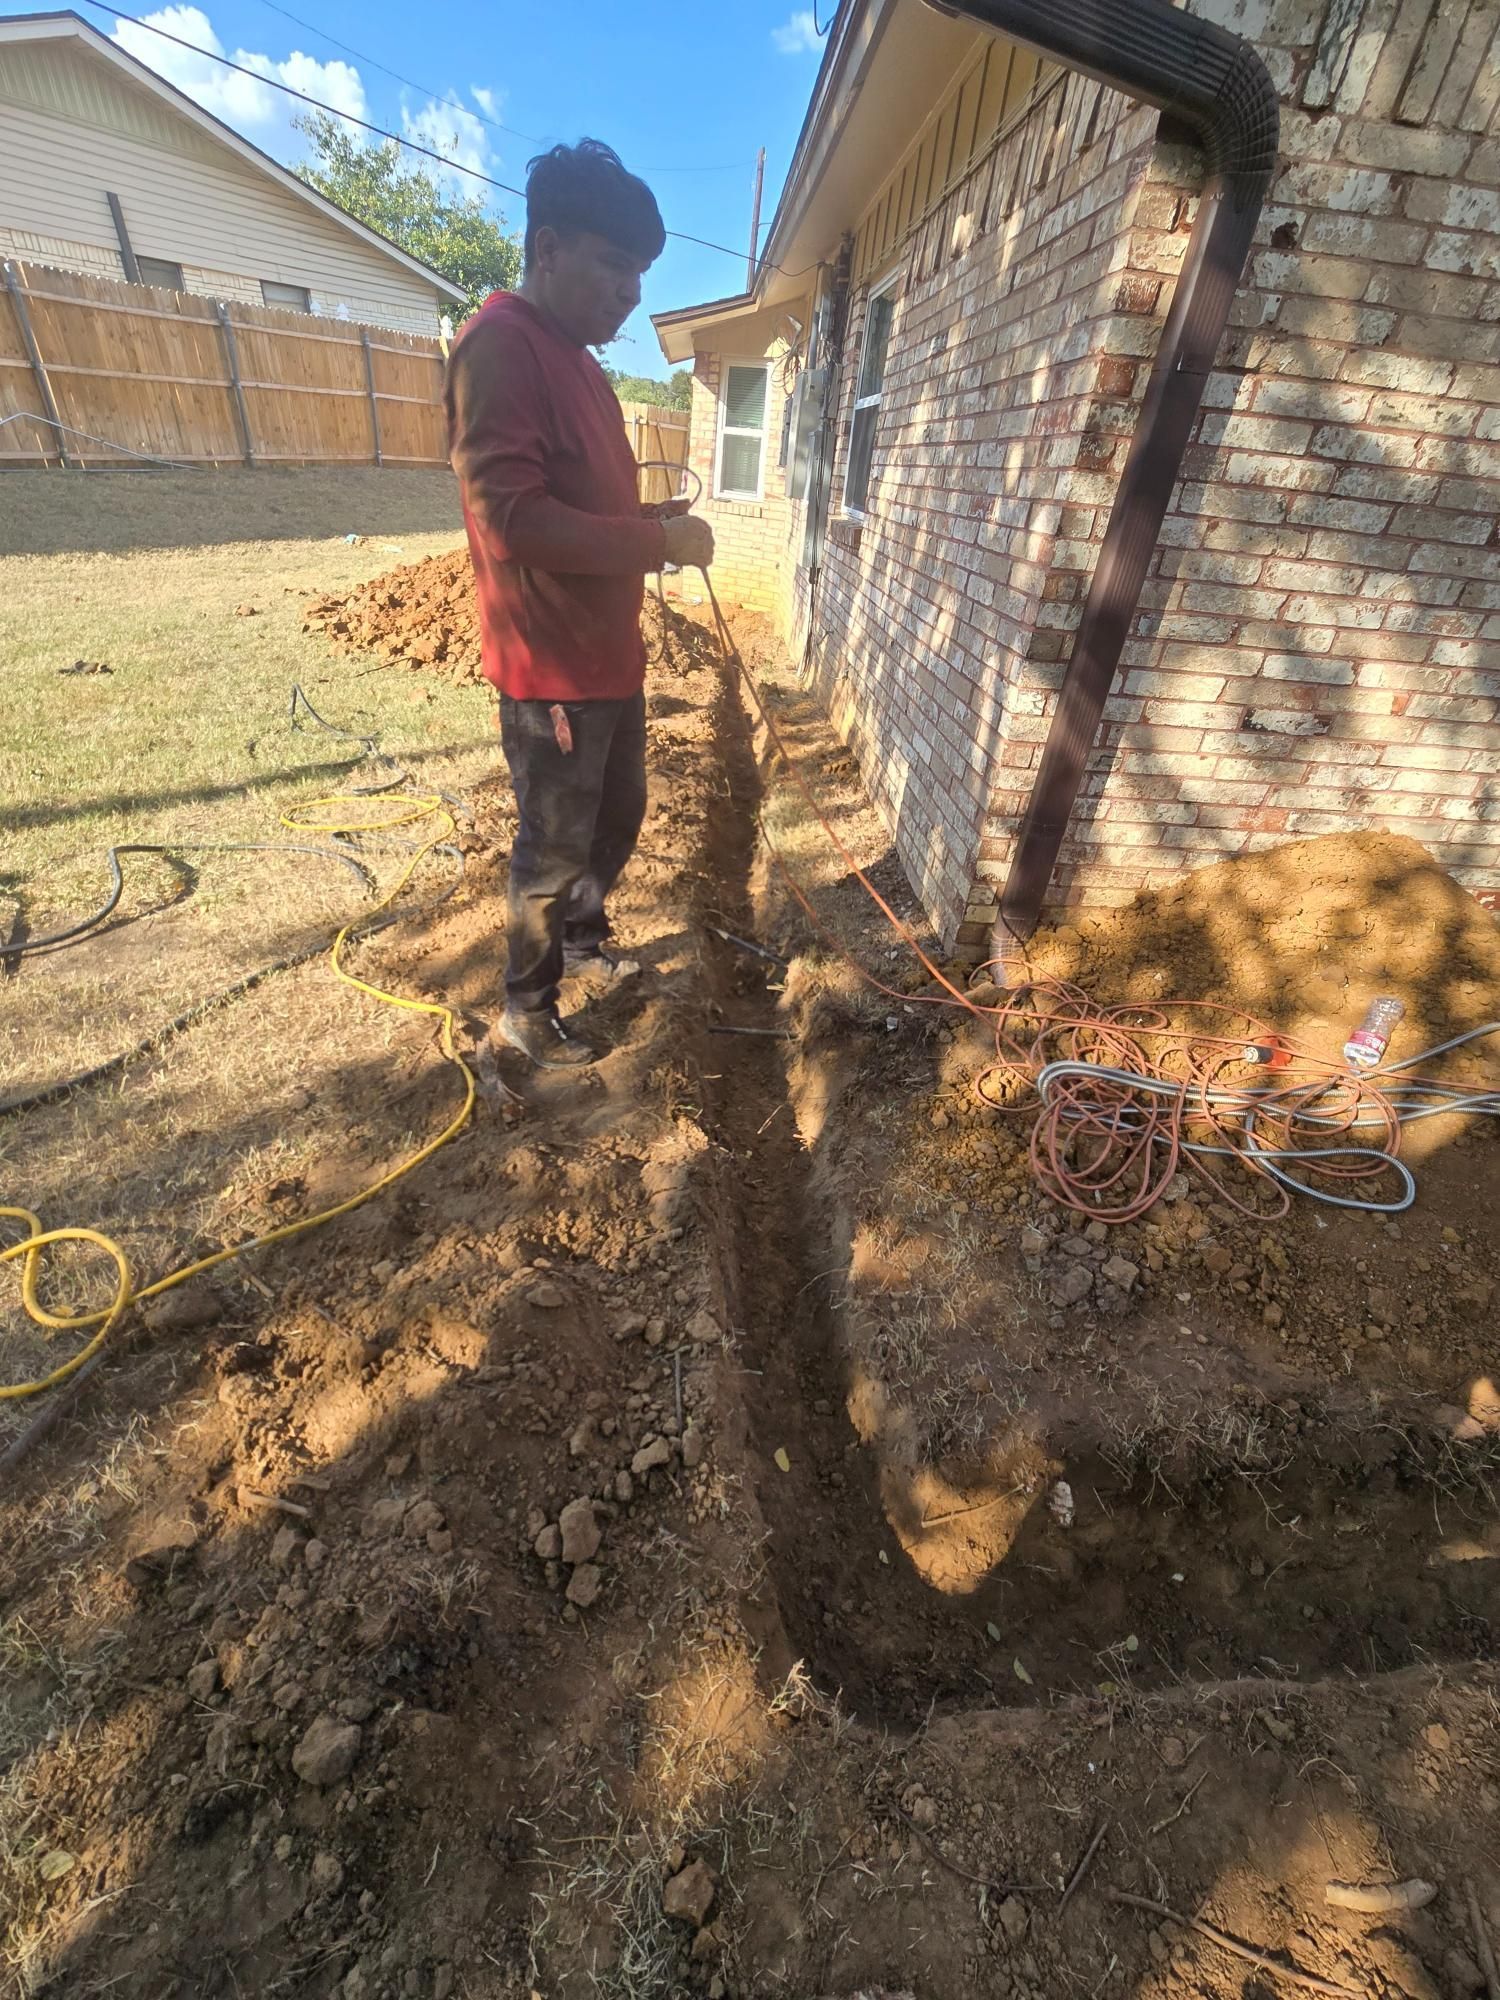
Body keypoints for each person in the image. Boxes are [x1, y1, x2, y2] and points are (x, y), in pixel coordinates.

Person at [445, 139, 714, 1069]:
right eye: (615, 266)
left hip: (608, 661)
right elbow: (512, 518)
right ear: (548, 247)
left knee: (618, 815)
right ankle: (524, 1012)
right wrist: (655, 545)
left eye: (639, 273)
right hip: (551, 671)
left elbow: (581, 505)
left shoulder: (579, 359)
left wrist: (651, 521)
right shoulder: (500, 349)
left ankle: (586, 944)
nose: (631, 293)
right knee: (553, 851)